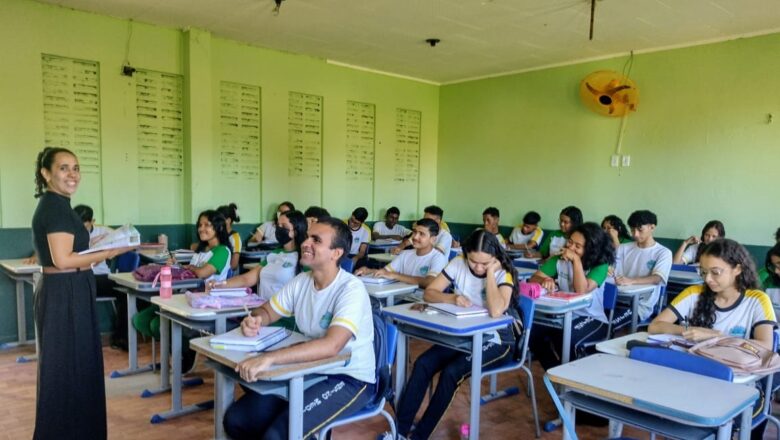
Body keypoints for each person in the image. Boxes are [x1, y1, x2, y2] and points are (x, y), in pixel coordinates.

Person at [223, 217, 375, 439]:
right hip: (309, 370)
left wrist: (270, 358)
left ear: (336, 253)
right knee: (237, 420)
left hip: (347, 378)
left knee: (279, 434)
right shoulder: (301, 281)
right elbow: (266, 312)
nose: (306, 243)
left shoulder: (351, 289)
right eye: (307, 237)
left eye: (316, 240)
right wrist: (255, 320)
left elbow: (331, 346)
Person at [31, 147, 135, 440]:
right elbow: (63, 259)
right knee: (67, 371)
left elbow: (69, 251)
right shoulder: (55, 207)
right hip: (66, 294)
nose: (72, 174)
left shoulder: (59, 205)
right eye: (63, 168)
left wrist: (100, 243)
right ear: (46, 173)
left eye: (75, 167)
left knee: (75, 369)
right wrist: (110, 251)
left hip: (69, 290)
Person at [394, 230, 516, 440]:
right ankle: (399, 431)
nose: (477, 267)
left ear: (494, 258)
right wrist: (452, 298)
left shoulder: (502, 273)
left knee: (451, 372)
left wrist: (490, 274)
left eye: (484, 263)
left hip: (496, 340)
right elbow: (429, 292)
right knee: (423, 363)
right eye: (473, 261)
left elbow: (496, 310)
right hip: (463, 335)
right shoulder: (458, 262)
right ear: (466, 254)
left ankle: (419, 436)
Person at [133, 210, 233, 371]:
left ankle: (183, 357)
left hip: (204, 302)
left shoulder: (222, 251)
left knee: (158, 324)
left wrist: (188, 267)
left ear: (219, 228)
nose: (202, 228)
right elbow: (191, 271)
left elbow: (202, 273)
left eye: (207, 225)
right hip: (185, 297)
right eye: (200, 225)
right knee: (141, 319)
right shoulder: (202, 250)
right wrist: (177, 265)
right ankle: (171, 357)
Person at [528, 222, 616, 369]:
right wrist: (545, 279)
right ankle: (556, 373)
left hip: (592, 318)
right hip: (565, 316)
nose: (570, 248)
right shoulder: (559, 259)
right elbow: (533, 279)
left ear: (590, 249)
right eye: (570, 242)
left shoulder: (600, 265)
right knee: (533, 334)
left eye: (578, 246)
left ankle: (576, 380)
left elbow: (581, 291)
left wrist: (575, 260)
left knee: (568, 339)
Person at [209, 210, 307, 301]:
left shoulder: (304, 257)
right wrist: (219, 284)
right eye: (278, 225)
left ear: (296, 231)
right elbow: (246, 279)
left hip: (285, 315)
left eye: (284, 226)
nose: (279, 229)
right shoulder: (274, 254)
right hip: (263, 310)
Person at [613, 210, 673, 324]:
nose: (635, 234)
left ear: (652, 227)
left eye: (640, 230)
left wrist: (631, 281)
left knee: (613, 326)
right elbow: (612, 269)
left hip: (640, 305)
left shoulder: (663, 252)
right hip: (616, 299)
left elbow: (657, 278)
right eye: (632, 230)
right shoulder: (623, 248)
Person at [355, 218, 447, 288]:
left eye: (421, 234)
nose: (415, 237)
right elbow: (386, 272)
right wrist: (367, 271)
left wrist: (395, 275)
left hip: (421, 301)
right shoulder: (406, 254)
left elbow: (430, 282)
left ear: (433, 239)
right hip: (400, 294)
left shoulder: (438, 258)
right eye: (415, 232)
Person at [217, 202, 242, 271]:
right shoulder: (216, 235)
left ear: (228, 220)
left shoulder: (235, 237)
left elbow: (234, 265)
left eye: (219, 220)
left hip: (229, 274)